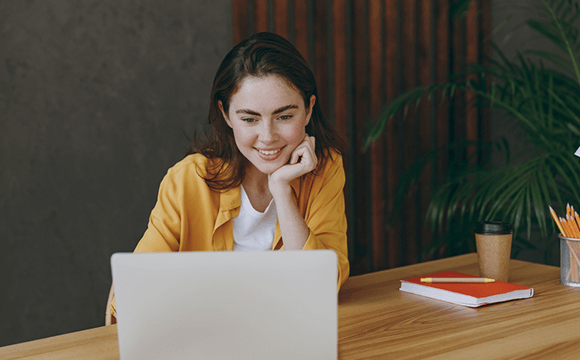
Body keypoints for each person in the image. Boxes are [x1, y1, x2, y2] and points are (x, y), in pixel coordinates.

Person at [106, 32, 349, 324]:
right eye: (249, 119)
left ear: (308, 110)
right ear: (226, 115)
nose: (268, 137)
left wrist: (282, 190)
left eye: (284, 116)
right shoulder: (188, 179)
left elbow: (321, 285)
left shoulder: (325, 169)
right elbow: (129, 292)